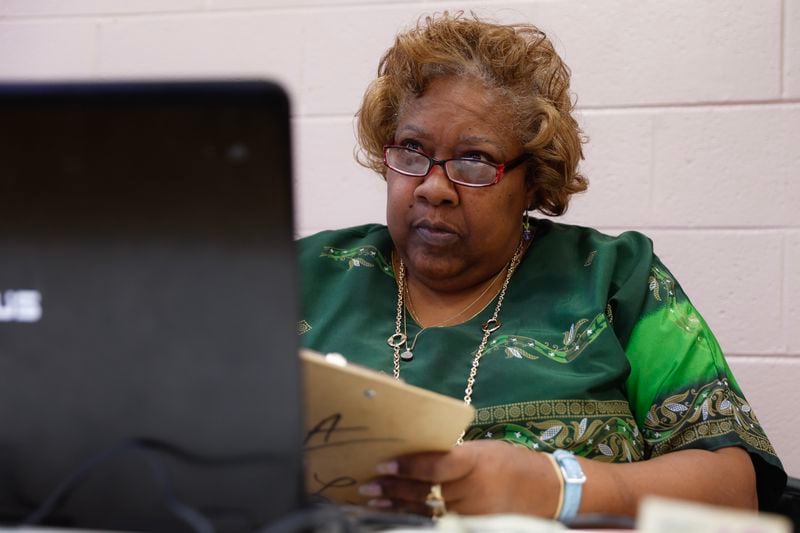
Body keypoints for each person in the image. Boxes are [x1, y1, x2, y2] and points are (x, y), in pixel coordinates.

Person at [297, 12, 786, 521]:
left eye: (474, 161)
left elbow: (735, 490)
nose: (433, 187)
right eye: (413, 151)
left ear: (533, 181)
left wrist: (558, 487)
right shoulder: (302, 277)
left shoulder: (614, 279)